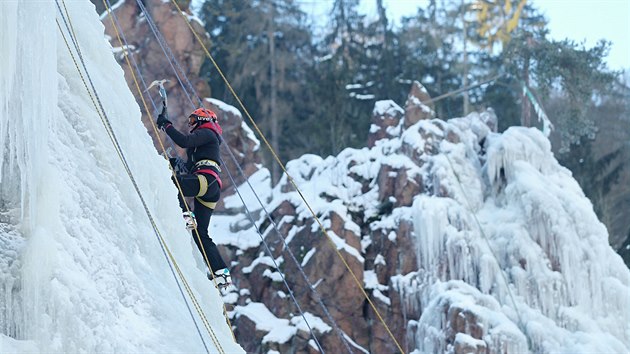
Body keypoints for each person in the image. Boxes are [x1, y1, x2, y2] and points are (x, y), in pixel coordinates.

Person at [156, 106, 231, 288]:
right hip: (209, 187)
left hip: (206, 180)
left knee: (173, 183)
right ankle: (220, 272)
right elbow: (189, 168)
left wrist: (166, 125)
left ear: (204, 120)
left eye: (192, 120)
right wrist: (174, 162)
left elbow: (183, 141)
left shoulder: (208, 132)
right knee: (201, 233)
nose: (191, 125)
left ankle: (186, 214)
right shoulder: (203, 144)